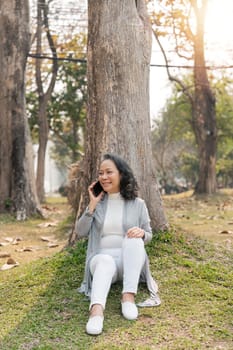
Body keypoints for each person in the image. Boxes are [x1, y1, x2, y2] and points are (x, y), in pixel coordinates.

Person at [76, 153, 161, 335]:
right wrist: (91, 204)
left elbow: (149, 234)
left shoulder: (138, 204)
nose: (104, 177)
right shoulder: (97, 204)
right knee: (105, 261)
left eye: (109, 172)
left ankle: (128, 297)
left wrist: (142, 233)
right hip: (101, 262)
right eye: (100, 173)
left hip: (128, 263)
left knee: (134, 239)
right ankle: (96, 312)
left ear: (121, 174)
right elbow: (80, 231)